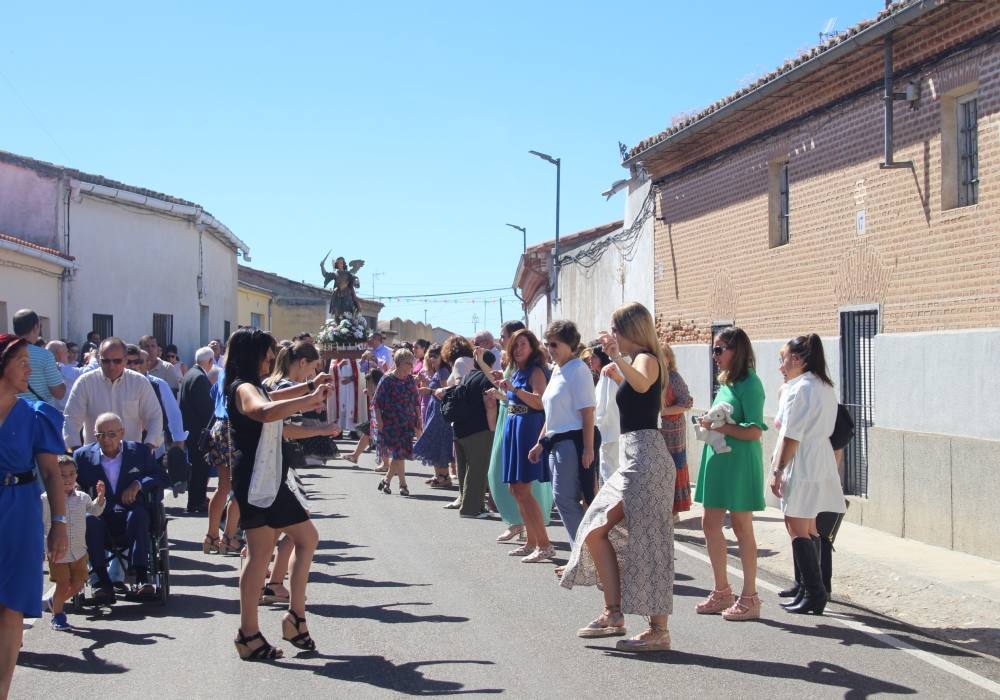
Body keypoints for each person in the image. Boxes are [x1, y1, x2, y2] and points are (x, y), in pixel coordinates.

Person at [560, 302, 675, 652]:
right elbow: (638, 391)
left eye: (616, 329)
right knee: (595, 529)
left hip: (647, 458)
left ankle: (658, 630)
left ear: (631, 329)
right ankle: (614, 613)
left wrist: (617, 360)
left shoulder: (647, 358)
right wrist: (616, 370)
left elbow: (642, 384)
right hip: (634, 458)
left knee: (650, 542)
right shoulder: (634, 362)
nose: (612, 336)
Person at [225, 328, 329, 660]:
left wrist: (311, 388)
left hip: (266, 478)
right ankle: (254, 631)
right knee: (264, 553)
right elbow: (265, 411)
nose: (273, 357)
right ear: (253, 355)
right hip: (258, 480)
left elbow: (274, 400)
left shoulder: (256, 386)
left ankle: (289, 620)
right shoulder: (243, 388)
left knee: (299, 540)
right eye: (268, 352)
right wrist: (310, 399)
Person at [0, 334, 68, 699]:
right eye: (21, 361)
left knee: (11, 607)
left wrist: (59, 524)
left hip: (20, 510)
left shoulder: (35, 415)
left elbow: (53, 473)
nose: (30, 368)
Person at [695, 326, 767, 621]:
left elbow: (753, 432)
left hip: (739, 462)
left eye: (719, 349)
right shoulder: (725, 382)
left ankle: (750, 597)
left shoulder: (751, 384)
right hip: (717, 459)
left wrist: (719, 427)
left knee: (741, 526)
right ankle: (722, 590)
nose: (714, 356)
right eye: (713, 350)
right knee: (709, 523)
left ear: (736, 351)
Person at [769, 335, 845, 616]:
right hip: (819, 456)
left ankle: (814, 592)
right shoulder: (823, 386)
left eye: (783, 359)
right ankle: (811, 588)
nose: (781, 366)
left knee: (797, 525)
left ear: (798, 359)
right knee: (810, 525)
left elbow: (791, 435)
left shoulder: (800, 389)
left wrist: (777, 470)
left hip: (803, 459)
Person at [74, 412, 169, 601]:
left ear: (122, 433)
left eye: (111, 434)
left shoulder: (139, 452)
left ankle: (142, 577)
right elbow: (73, 481)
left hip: (131, 514)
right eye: (101, 435)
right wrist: (76, 489)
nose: (106, 440)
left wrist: (138, 484)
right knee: (89, 521)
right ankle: (102, 581)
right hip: (101, 515)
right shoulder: (83, 456)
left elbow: (161, 476)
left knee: (139, 516)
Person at [527, 320, 597, 553]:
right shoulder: (558, 369)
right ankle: (583, 555)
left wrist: (588, 449)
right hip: (555, 444)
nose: (550, 349)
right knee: (565, 500)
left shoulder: (578, 369)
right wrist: (539, 442)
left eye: (555, 344)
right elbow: (552, 413)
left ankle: (584, 556)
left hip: (570, 444)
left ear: (570, 344)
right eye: (547, 344)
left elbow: (587, 412)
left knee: (566, 500)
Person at [485, 321, 553, 544]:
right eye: (514, 346)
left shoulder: (535, 371)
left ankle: (543, 544)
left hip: (528, 428)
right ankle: (531, 542)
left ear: (532, 348)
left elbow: (540, 402)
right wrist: (506, 390)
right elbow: (512, 400)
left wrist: (514, 390)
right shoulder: (517, 371)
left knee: (523, 489)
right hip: (513, 427)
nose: (518, 349)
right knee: (516, 490)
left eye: (523, 345)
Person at [63, 338, 163, 452]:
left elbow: (154, 417)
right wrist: (77, 453)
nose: (111, 366)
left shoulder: (139, 383)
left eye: (117, 361)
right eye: (106, 361)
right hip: (95, 458)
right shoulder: (85, 382)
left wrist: (147, 449)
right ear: (99, 360)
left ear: (125, 360)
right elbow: (71, 419)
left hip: (130, 456)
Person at [42, 455, 106, 630]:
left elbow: (95, 511)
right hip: (58, 552)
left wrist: (100, 498)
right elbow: (40, 523)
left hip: (79, 550)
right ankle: (58, 615)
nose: (68, 479)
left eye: (71, 474)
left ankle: (54, 601)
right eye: (62, 475)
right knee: (62, 584)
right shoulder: (46, 499)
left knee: (78, 584)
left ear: (76, 475)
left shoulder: (82, 497)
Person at [437, 350, 497, 518]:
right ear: (490, 364)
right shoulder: (487, 379)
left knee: (464, 470)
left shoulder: (466, 377)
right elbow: (490, 405)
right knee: (478, 469)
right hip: (479, 429)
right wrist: (493, 430)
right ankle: (471, 509)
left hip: (459, 429)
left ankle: (467, 502)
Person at [181, 347, 219, 533]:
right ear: (210, 361)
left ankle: (196, 499)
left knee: (197, 466)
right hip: (198, 430)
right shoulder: (199, 378)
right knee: (200, 468)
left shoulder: (191, 374)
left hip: (191, 429)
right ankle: (196, 500)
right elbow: (205, 408)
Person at [373, 349, 421, 496]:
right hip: (390, 422)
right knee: (398, 453)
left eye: (412, 364)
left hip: (406, 422)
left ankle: (387, 481)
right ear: (399, 363)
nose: (411, 367)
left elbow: (416, 401)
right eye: (408, 363)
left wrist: (419, 419)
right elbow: (376, 402)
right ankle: (402, 484)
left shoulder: (410, 380)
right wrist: (379, 420)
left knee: (399, 453)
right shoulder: (387, 379)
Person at [659, 342, 694, 519]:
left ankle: (674, 510)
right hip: (657, 430)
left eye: (661, 355)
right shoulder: (652, 377)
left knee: (674, 466)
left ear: (668, 358)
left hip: (673, 430)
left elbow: (686, 402)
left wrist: (664, 412)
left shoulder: (674, 378)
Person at [414, 345, 454, 487]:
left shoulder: (443, 371)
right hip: (435, 410)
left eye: (435, 356)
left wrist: (429, 391)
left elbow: (445, 392)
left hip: (440, 413)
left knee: (439, 442)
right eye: (430, 356)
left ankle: (443, 476)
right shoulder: (438, 371)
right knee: (435, 442)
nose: (432, 359)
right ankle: (439, 475)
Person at [13, 309, 65, 407]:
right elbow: (59, 393)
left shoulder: (4, 353)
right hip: (37, 416)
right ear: (36, 327)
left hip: (9, 415)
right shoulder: (45, 355)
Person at [593, 347, 622, 484]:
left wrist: (597, 425)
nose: (590, 360)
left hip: (609, 432)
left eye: (594, 357)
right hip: (614, 430)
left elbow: (603, 405)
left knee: (610, 475)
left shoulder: (609, 372)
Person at [344, 368, 383, 464]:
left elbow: (375, 406)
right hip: (376, 419)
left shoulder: (381, 391)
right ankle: (355, 455)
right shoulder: (377, 390)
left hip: (381, 419)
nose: (368, 385)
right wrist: (370, 394)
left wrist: (370, 394)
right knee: (367, 435)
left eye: (370, 383)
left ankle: (386, 464)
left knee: (380, 441)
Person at [46, 340, 86, 410]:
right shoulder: (58, 367)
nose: (68, 355)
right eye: (67, 351)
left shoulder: (49, 366)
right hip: (58, 412)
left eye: (77, 352)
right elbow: (84, 373)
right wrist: (93, 358)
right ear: (59, 353)